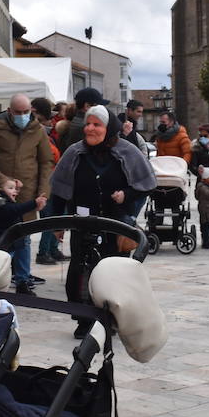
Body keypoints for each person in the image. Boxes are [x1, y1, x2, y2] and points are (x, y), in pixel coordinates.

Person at [48, 105, 156, 337]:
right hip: (83, 222)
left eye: (96, 124)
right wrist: (57, 225)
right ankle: (84, 320)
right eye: (88, 124)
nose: (90, 128)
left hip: (115, 225)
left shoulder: (127, 151)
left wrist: (126, 195)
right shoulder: (74, 153)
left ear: (108, 128)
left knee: (113, 273)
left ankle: (111, 319)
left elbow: (146, 184)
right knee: (80, 272)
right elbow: (59, 190)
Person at [0, 93, 52, 291]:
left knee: (23, 239)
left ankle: (22, 279)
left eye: (26, 112)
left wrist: (43, 192)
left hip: (26, 194)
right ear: (9, 111)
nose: (23, 116)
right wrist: (2, 181)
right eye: (18, 112)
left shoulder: (38, 131)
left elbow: (46, 162)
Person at [0, 178, 41, 293]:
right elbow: (13, 210)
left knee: (21, 258)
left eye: (15, 189)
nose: (15, 191)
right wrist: (34, 203)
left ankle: (22, 281)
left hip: (16, 239)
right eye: (11, 188)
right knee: (1, 263)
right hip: (3, 241)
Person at [32, 97, 67, 265]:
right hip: (45, 183)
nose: (50, 121)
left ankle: (52, 250)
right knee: (49, 219)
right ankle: (43, 252)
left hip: (52, 181)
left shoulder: (48, 136)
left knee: (57, 218)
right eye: (47, 118)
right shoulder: (39, 137)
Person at [57, 87, 107, 152]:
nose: (102, 109)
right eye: (99, 106)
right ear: (87, 106)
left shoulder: (75, 123)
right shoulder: (85, 127)